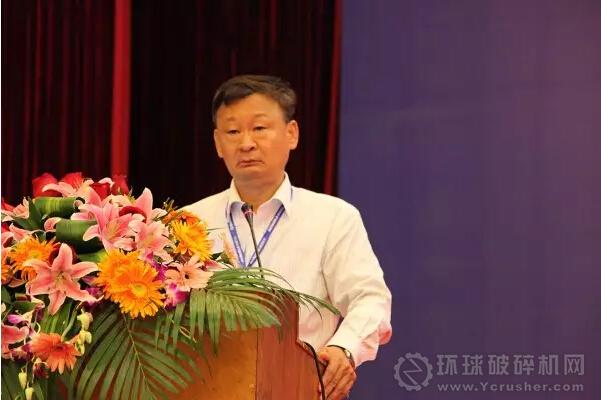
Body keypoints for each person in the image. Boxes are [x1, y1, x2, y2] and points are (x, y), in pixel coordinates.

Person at [186, 75, 392, 399]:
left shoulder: (333, 217)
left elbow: (370, 299)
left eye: (259, 128)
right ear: (217, 143)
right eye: (233, 131)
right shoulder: (187, 223)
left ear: (291, 133)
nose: (246, 143)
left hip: (300, 387)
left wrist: (344, 348)